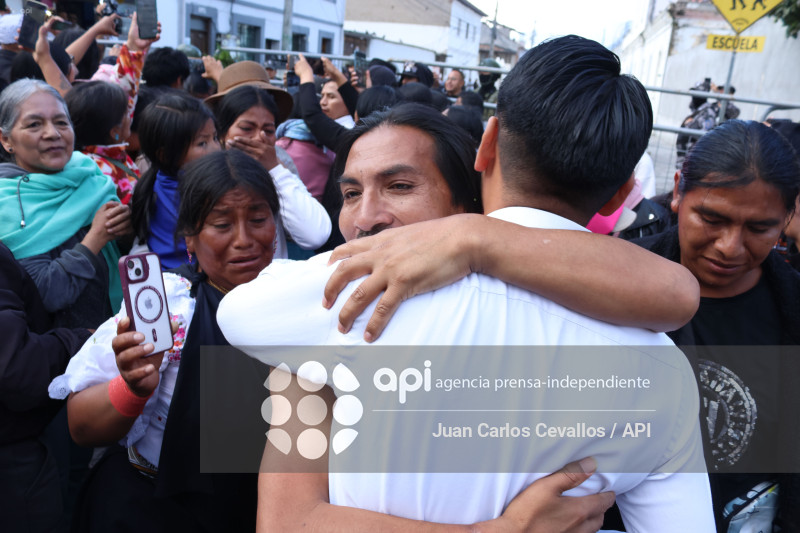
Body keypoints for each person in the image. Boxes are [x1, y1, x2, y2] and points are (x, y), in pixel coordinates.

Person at [219, 36, 713, 530]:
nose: (367, 218)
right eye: (349, 193)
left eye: (400, 186)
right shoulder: (664, 375)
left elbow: (237, 313)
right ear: (621, 195)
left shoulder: (355, 305)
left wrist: (474, 240)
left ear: (486, 149)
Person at [49, 149, 279, 532]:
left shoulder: (303, 301)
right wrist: (132, 387)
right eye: (221, 224)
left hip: (255, 511)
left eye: (258, 219)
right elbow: (82, 427)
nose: (244, 240)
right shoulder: (169, 308)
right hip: (152, 511)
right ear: (189, 237)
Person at [637, 119, 800, 532]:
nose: (730, 246)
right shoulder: (616, 282)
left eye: (759, 228)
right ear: (678, 191)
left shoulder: (792, 308)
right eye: (711, 218)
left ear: (787, 217)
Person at [0, 79, 130, 329]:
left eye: (61, 122)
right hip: (62, 356)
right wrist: (95, 239)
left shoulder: (88, 174)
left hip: (115, 338)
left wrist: (125, 230)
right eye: (34, 124)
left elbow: (121, 255)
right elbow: (45, 294)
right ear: (6, 140)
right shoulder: (8, 203)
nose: (53, 133)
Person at [0, 242, 92, 533]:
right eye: (221, 224)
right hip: (16, 453)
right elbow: (16, 367)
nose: (239, 241)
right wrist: (80, 342)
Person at [212, 84, 332, 258]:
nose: (259, 137)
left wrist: (275, 169)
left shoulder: (278, 170)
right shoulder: (205, 175)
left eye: (268, 131)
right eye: (246, 128)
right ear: (223, 134)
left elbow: (316, 235)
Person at [129, 91, 219, 269]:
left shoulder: (156, 182)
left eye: (215, 138)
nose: (216, 148)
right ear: (165, 154)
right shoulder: (198, 192)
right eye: (202, 143)